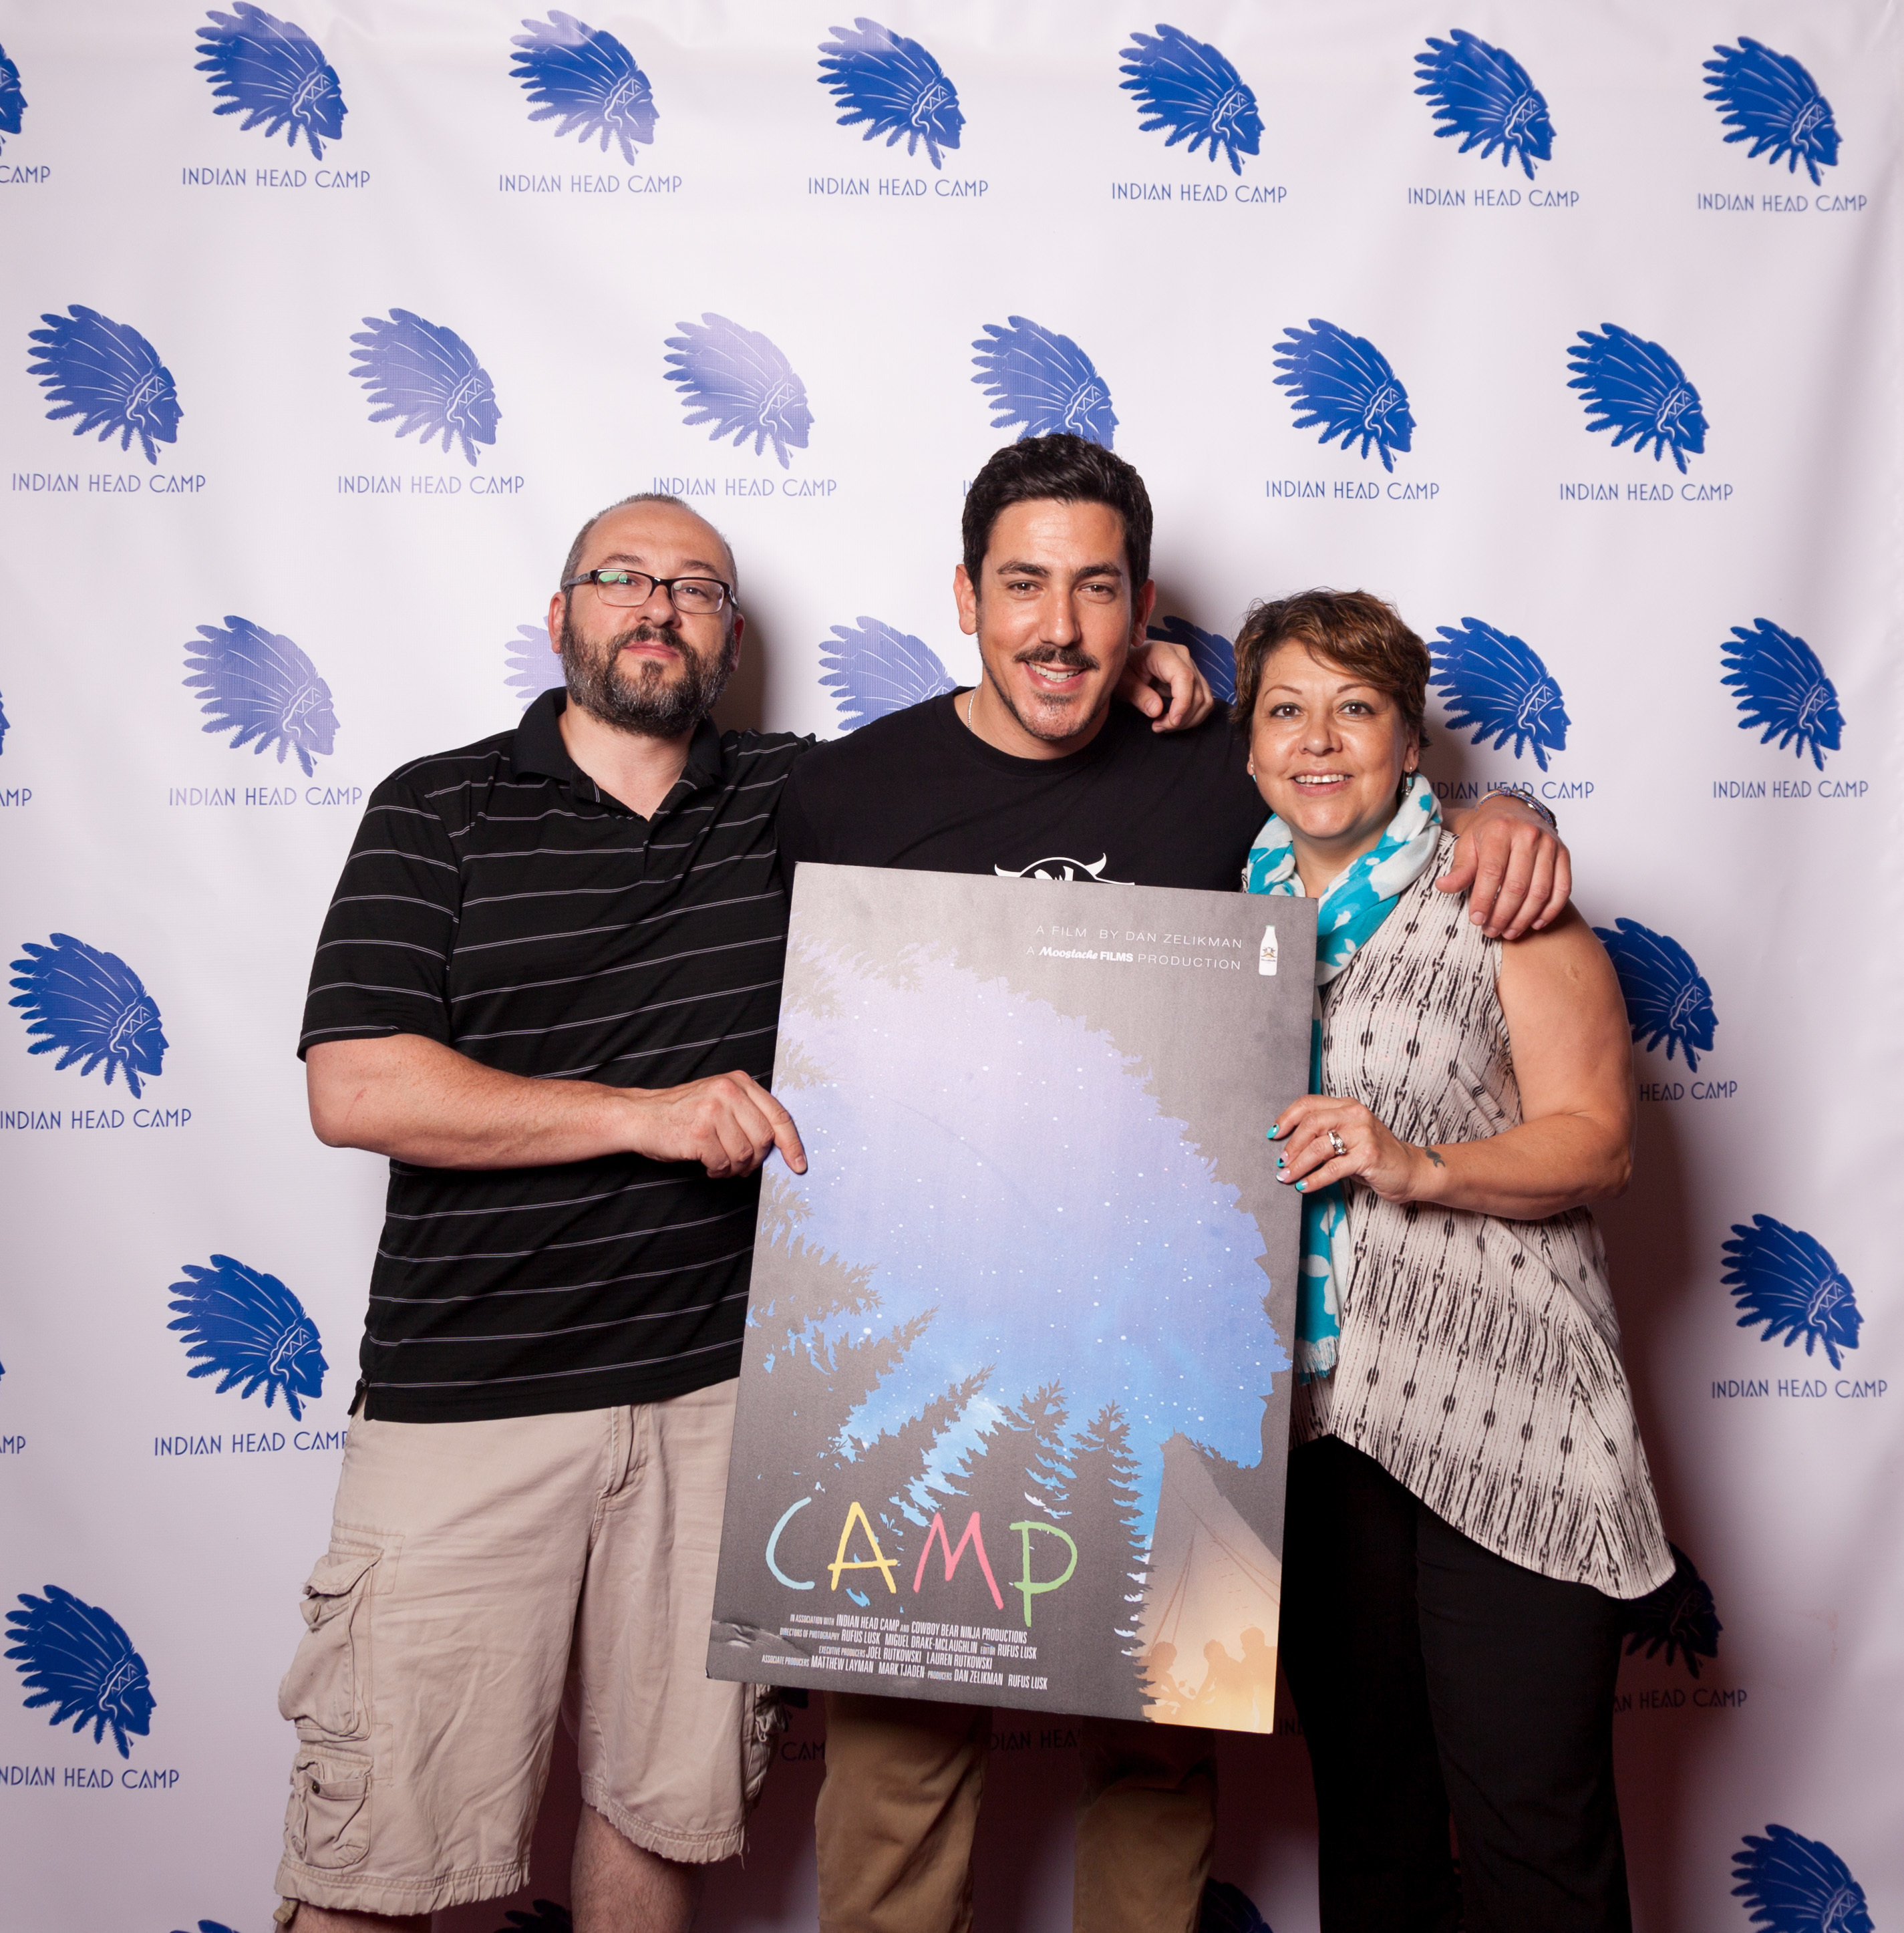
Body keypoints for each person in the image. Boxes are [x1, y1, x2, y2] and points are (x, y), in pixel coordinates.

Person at [271, 489, 1212, 1933]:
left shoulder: (803, 796)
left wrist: (1162, 657)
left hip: (725, 1407)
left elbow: (1006, 737)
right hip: (471, 1404)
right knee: (378, 1855)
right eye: (621, 578)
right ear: (560, 615)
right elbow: (358, 1086)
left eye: (695, 588)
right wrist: (643, 1117)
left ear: (728, 634)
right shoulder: (435, 804)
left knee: (660, 1818)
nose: (656, 607)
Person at [774, 435, 1573, 1933]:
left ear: (1146, 614)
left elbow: (1368, 797)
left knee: (1158, 1761)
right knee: (894, 1769)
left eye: (1096, 590)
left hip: (1165, 1340)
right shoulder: (844, 794)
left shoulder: (1225, 772)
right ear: (965, 595)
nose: (1058, 627)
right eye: (1023, 584)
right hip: (923, 1340)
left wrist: (1498, 820)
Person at [1241, 589, 1672, 1933]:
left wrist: (1421, 1164)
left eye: (1356, 708)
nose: (1321, 740)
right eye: (1287, 709)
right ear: (1248, 743)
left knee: (1533, 1832)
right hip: (1317, 1436)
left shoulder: (1500, 890)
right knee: (1372, 1830)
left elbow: (1599, 1144)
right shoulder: (1222, 917)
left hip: (1515, 1424)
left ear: (1409, 742)